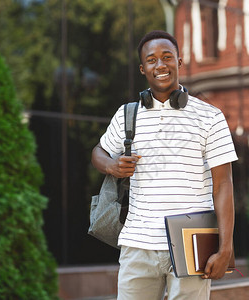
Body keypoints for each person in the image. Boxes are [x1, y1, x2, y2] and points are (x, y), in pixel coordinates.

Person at [91, 30, 237, 300]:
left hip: (192, 241)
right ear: (143, 69)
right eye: (152, 60)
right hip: (137, 243)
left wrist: (225, 247)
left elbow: (224, 185)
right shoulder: (127, 115)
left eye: (167, 57)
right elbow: (98, 152)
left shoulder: (210, 117)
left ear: (179, 62)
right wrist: (113, 166)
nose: (160, 65)